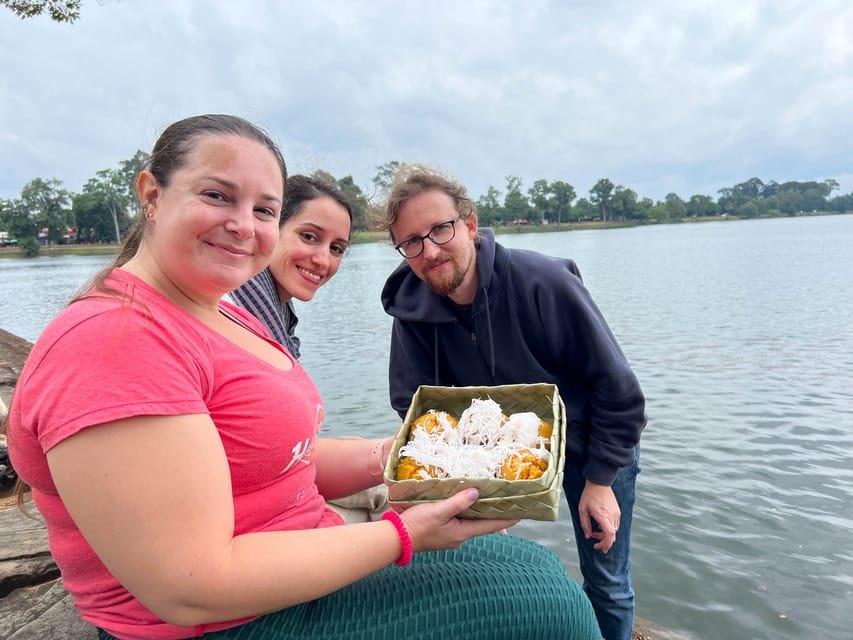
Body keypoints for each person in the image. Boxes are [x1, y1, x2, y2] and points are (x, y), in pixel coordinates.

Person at [5, 116, 601, 640]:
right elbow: (189, 586)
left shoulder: (222, 311)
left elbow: (279, 457)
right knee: (551, 609)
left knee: (533, 566)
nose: (244, 225)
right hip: (219, 623)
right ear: (152, 194)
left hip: (293, 556)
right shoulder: (114, 344)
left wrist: (392, 454)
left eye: (263, 209)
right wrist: (405, 534)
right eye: (218, 195)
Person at [369, 164, 646, 640]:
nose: (429, 251)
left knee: (607, 579)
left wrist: (600, 481)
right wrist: (470, 485)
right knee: (475, 564)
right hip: (487, 456)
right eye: (412, 241)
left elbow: (619, 391)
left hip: (591, 441)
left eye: (440, 229)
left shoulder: (543, 283)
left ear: (470, 224)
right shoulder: (412, 310)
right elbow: (415, 406)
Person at [228, 174, 353, 359]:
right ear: (272, 228)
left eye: (336, 248)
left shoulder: (278, 319)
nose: (323, 261)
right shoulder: (229, 318)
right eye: (309, 237)